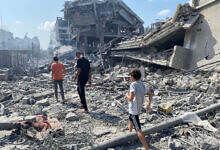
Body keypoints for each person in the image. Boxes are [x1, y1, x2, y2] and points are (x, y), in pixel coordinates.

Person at [125, 69, 153, 150]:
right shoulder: (142, 84)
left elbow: (131, 97)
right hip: (137, 109)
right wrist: (149, 104)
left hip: (134, 110)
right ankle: (129, 132)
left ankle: (146, 148)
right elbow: (150, 93)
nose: (130, 77)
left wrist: (126, 95)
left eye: (130, 76)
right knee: (131, 118)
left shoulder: (133, 85)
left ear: (133, 77)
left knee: (138, 130)